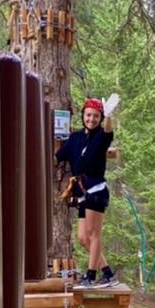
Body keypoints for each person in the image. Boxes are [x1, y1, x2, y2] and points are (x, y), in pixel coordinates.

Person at [56, 94, 119, 287]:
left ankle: (91, 276)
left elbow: (108, 132)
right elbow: (59, 156)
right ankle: (107, 273)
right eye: (88, 115)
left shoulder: (101, 136)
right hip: (81, 192)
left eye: (95, 116)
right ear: (83, 116)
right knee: (83, 238)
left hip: (96, 190)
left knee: (93, 234)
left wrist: (108, 117)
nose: (91, 119)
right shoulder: (75, 138)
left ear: (99, 118)